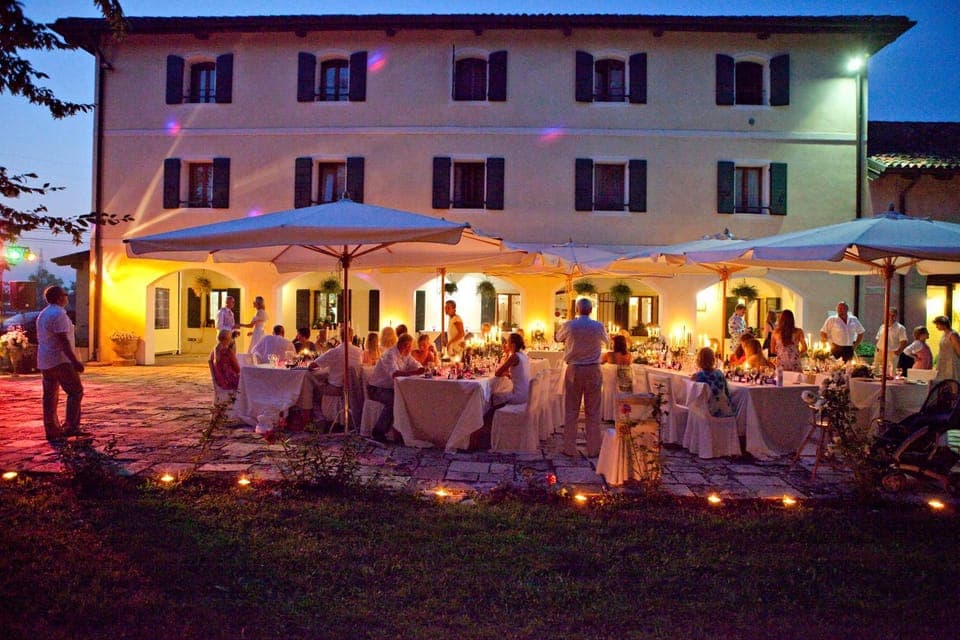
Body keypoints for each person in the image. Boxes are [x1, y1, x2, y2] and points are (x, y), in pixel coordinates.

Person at [556, 297, 609, 458]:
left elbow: (558, 338)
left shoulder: (570, 325)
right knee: (593, 410)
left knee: (572, 409)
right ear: (591, 310)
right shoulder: (598, 326)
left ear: (577, 310)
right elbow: (606, 342)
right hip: (593, 369)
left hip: (574, 369)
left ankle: (569, 448)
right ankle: (593, 449)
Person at [36, 285, 86, 441]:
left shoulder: (43, 314)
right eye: (65, 294)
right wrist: (75, 361)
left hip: (45, 360)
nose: (67, 297)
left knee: (50, 396)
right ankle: (71, 426)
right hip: (60, 360)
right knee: (75, 391)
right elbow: (63, 341)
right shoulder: (59, 314)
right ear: (59, 297)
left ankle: (51, 429)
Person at [473, 332, 531, 450]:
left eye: (508, 342)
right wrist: (509, 374)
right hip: (526, 393)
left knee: (492, 398)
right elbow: (517, 372)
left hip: (519, 396)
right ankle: (489, 430)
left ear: (513, 345)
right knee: (498, 394)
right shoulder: (523, 355)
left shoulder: (514, 357)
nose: (506, 344)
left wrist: (506, 358)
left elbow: (497, 372)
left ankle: (488, 432)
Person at [367, 333, 425, 444]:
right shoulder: (390, 355)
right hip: (377, 389)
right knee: (394, 400)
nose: (411, 349)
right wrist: (414, 372)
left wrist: (421, 368)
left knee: (409, 398)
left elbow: (416, 364)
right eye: (410, 346)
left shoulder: (405, 355)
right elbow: (395, 374)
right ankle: (378, 431)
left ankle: (404, 432)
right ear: (405, 346)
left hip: (391, 388)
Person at [691, 347, 735, 418]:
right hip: (726, 409)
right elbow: (727, 392)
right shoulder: (720, 373)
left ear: (699, 360)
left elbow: (693, 396)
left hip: (710, 411)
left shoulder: (699, 376)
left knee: (692, 408)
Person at [875, 308, 908, 374]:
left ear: (896, 316)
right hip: (880, 352)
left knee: (890, 373)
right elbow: (878, 338)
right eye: (889, 315)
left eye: (893, 315)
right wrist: (877, 349)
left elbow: (904, 341)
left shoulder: (900, 328)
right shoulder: (882, 326)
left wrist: (898, 352)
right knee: (877, 371)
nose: (891, 317)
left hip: (892, 353)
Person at [932, 315, 960, 382]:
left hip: (951, 361)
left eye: (938, 324)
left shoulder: (952, 334)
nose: (936, 326)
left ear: (943, 324)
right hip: (943, 361)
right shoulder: (944, 334)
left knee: (952, 380)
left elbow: (958, 349)